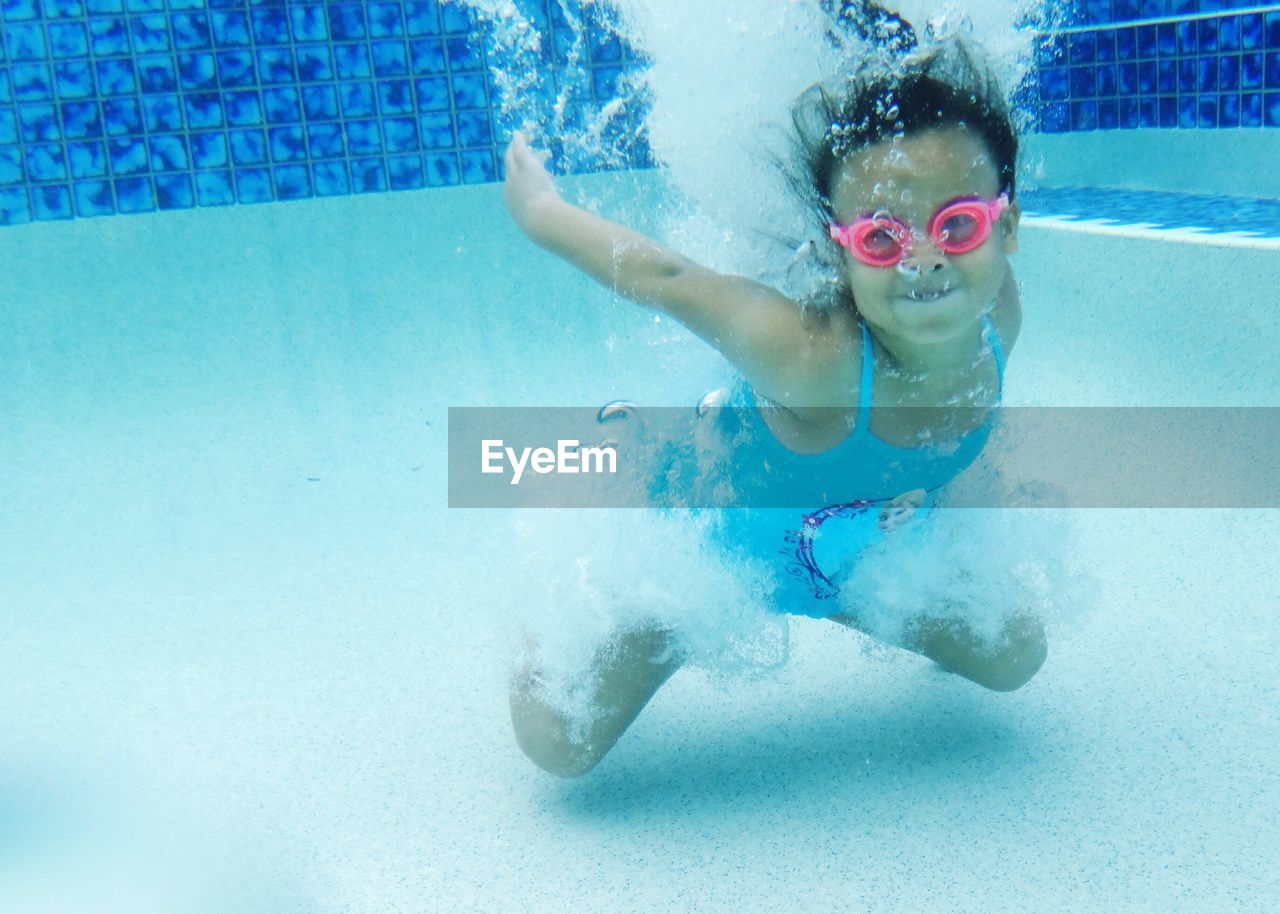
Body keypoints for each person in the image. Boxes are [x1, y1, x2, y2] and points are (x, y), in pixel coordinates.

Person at [502, 28, 1048, 778]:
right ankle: (588, 539)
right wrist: (542, 215)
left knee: (1015, 654)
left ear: (1007, 226)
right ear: (842, 254)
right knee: (557, 739)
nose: (925, 257)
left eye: (957, 224)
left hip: (855, 571)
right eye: (883, 239)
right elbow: (669, 279)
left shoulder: (997, 324)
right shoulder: (809, 358)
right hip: (708, 557)